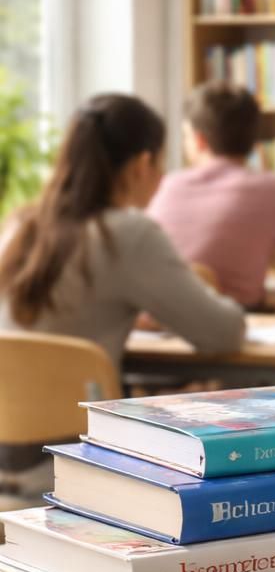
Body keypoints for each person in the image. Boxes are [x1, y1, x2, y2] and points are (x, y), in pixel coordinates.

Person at [0, 92, 246, 368]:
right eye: (161, 162)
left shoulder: (20, 225)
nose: (163, 176)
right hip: (82, 410)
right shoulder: (129, 233)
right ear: (142, 165)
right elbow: (225, 334)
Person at [148, 82, 275, 308]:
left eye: (185, 136)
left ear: (199, 140)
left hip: (158, 323)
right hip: (238, 321)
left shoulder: (165, 186)